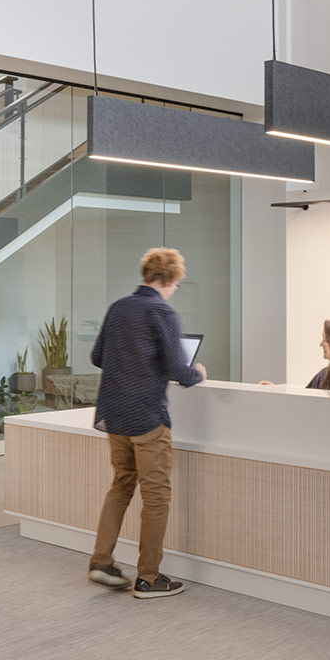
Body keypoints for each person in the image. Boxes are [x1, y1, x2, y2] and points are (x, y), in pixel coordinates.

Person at [86, 247, 206, 599]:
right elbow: (177, 371)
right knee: (156, 496)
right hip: (147, 417)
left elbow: (97, 357)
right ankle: (149, 578)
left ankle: (101, 561)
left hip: (114, 415)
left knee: (121, 484)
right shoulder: (162, 312)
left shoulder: (118, 307)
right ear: (171, 279)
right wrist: (196, 372)